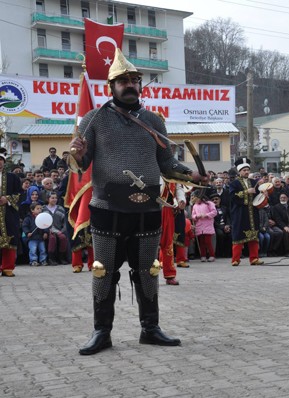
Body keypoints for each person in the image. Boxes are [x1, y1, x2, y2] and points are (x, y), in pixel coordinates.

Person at [69, 48, 199, 355]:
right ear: (111, 87)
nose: (129, 85)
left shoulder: (154, 120)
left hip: (147, 208)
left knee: (148, 269)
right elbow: (81, 162)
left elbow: (168, 165)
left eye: (134, 80)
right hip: (107, 207)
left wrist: (193, 176)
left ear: (140, 84)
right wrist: (75, 152)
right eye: (123, 80)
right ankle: (102, 332)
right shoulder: (94, 118)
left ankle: (150, 329)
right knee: (103, 270)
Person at [229, 157, 263, 266]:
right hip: (240, 213)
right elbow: (232, 197)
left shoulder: (254, 182)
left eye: (248, 170)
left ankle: (254, 258)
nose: (247, 172)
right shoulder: (234, 183)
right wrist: (246, 192)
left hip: (252, 213)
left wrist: (263, 194)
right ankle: (235, 259)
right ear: (239, 171)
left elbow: (258, 197)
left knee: (254, 236)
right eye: (244, 170)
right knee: (238, 236)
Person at [158, 180, 186, 286]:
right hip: (149, 209)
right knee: (148, 242)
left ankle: (170, 275)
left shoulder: (171, 169)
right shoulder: (147, 166)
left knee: (168, 243)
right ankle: (145, 275)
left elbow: (178, 187)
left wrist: (181, 199)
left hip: (167, 209)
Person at [0, 149, 22, 276]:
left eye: (1, 160)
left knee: (10, 237)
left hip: (9, 212)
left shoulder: (12, 177)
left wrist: (7, 199)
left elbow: (20, 193)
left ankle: (8, 267)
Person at [42, 192, 70, 265]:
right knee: (52, 238)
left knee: (63, 238)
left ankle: (62, 258)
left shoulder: (60, 208)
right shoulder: (43, 209)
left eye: (56, 198)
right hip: (48, 230)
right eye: (52, 198)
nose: (54, 199)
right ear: (48, 199)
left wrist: (62, 231)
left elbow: (65, 222)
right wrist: (47, 230)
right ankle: (51, 258)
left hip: (60, 230)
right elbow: (41, 222)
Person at [22, 202, 49, 267]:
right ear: (32, 210)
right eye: (37, 208)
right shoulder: (28, 218)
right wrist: (27, 232)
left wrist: (45, 232)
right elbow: (25, 226)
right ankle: (33, 261)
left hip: (41, 237)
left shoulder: (43, 217)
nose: (40, 210)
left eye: (40, 208)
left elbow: (46, 225)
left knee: (43, 250)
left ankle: (43, 260)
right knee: (33, 250)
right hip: (32, 238)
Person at [192, 193, 217, 262]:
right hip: (199, 225)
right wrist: (196, 217)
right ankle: (203, 255)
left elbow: (214, 212)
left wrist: (206, 215)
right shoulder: (195, 206)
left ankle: (212, 255)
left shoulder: (209, 203)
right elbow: (193, 215)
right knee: (201, 242)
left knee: (208, 241)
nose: (195, 200)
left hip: (207, 225)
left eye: (195, 198)